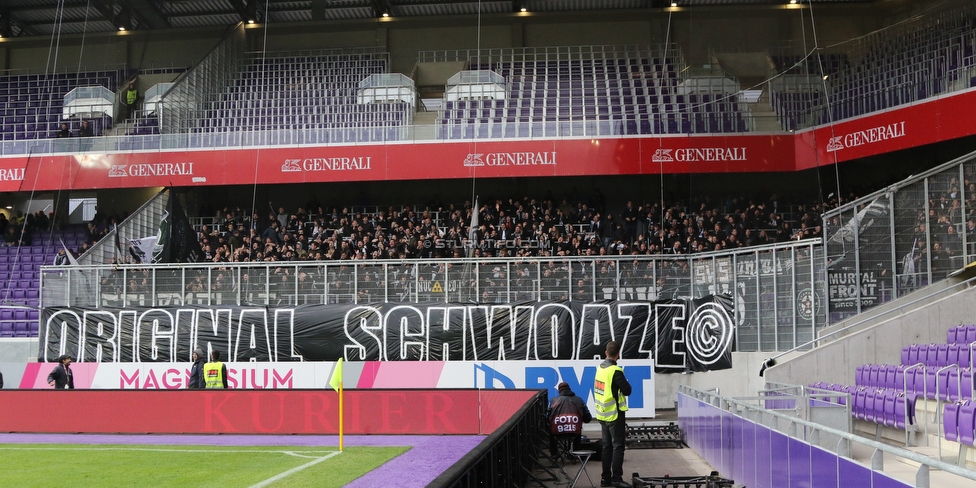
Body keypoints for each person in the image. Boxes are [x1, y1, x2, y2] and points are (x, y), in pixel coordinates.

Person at [593, 340, 632, 488]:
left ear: (606, 353)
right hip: (615, 415)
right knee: (618, 447)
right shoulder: (615, 371)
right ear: (619, 354)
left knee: (607, 447)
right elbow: (628, 390)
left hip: (602, 414)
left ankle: (605, 478)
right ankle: (616, 478)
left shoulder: (600, 368)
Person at [548, 381, 592, 457]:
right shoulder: (579, 400)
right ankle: (576, 453)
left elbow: (547, 416)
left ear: (559, 391)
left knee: (551, 432)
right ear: (569, 389)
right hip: (574, 432)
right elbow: (587, 418)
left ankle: (554, 455)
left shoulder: (552, 401)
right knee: (577, 429)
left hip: (557, 432)